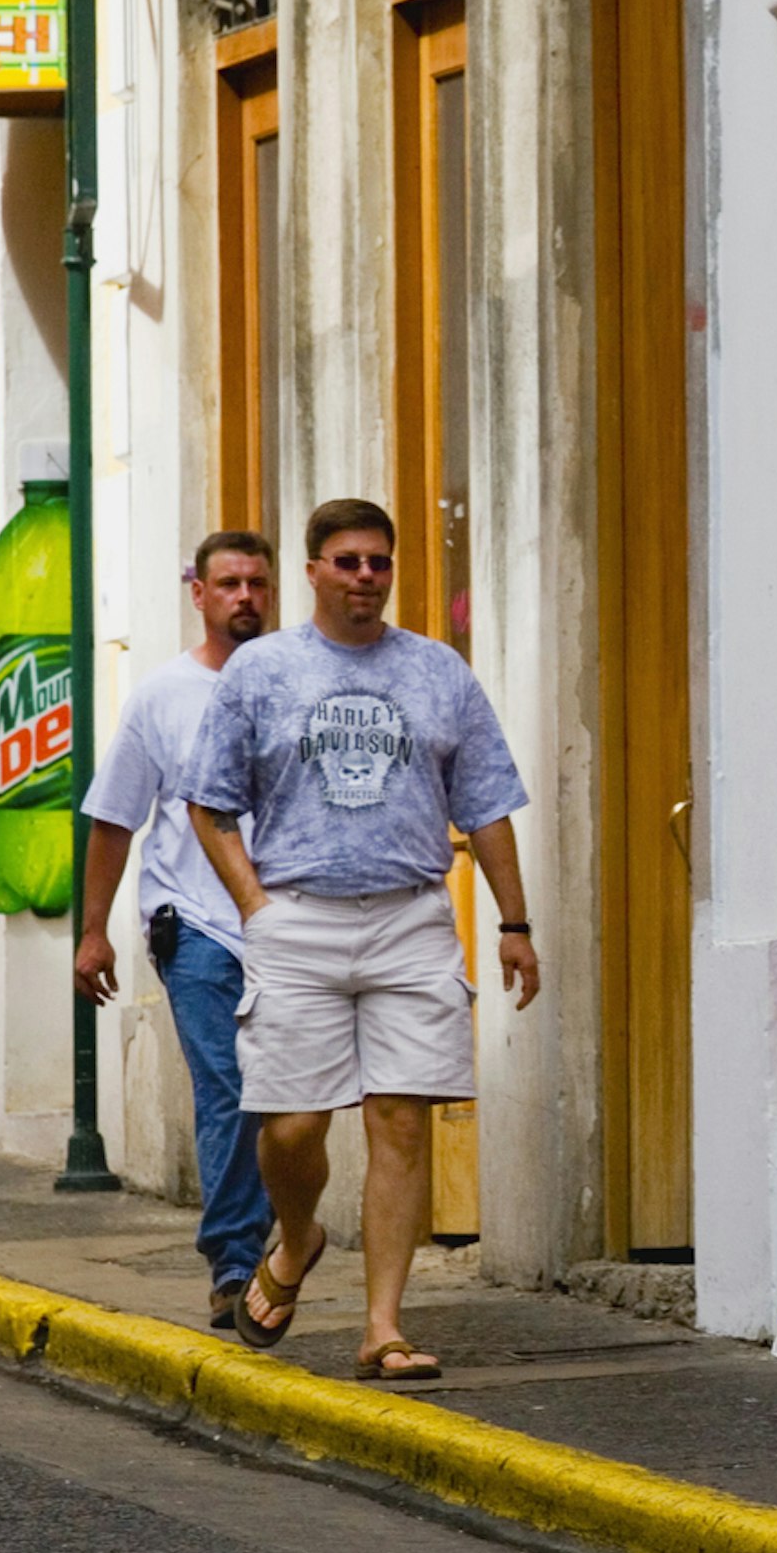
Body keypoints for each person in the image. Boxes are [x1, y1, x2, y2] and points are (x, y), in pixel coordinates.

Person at [188, 498, 539, 1384]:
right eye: (346, 562)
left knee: (400, 1120)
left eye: (378, 563)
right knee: (292, 1124)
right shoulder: (264, 671)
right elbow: (209, 798)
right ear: (312, 571)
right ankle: (298, 1233)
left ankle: (383, 1325)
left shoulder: (438, 672)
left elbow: (488, 801)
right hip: (297, 917)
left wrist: (515, 923)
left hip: (410, 914)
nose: (365, 578)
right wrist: (255, 904)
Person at [76, 530, 280, 1332]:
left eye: (256, 583)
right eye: (228, 583)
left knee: (286, 1094)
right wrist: (94, 932)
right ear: (198, 592)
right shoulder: (163, 695)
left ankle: (281, 1242)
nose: (244, 598)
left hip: (288, 922)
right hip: (192, 925)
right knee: (228, 1086)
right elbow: (114, 819)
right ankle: (235, 1261)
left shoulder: (295, 683)